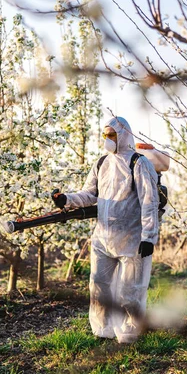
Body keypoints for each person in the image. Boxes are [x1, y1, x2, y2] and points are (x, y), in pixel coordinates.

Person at [51, 116, 159, 344]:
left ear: (124, 136)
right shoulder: (101, 163)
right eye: (105, 135)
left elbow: (149, 201)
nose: (107, 140)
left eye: (112, 135)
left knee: (130, 291)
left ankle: (130, 334)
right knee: (99, 287)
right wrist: (67, 199)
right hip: (103, 238)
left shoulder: (139, 163)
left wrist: (149, 236)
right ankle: (103, 331)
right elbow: (90, 194)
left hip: (132, 239)